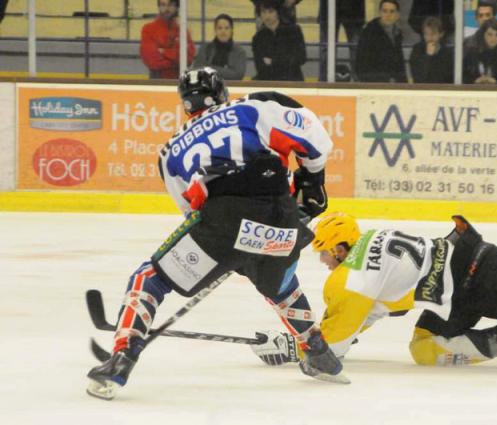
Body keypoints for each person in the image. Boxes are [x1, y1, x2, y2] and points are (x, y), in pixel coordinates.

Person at [86, 67, 347, 400]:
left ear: (185, 105)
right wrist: (312, 181)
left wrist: (231, 248)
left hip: (223, 220)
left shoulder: (169, 153)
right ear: (222, 92)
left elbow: (193, 213)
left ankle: (121, 357)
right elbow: (315, 137)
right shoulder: (253, 107)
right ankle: (321, 355)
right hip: (283, 221)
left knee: (149, 278)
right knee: (279, 285)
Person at [251, 213, 497, 369]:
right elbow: (362, 316)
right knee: (424, 350)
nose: (323, 260)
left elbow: (334, 347)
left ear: (341, 247)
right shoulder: (372, 238)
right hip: (457, 287)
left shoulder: (350, 281)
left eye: (325, 252)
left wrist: (292, 347)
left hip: (481, 273)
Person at [252, 0, 307, 81]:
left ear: (278, 12)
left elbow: (301, 58)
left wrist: (273, 62)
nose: (267, 16)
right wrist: (283, 60)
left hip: (292, 80)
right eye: (263, 12)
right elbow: (260, 67)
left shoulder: (293, 31)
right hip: (269, 81)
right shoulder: (258, 38)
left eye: (271, 12)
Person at [140, 0, 196, 79]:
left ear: (177, 7)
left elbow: (188, 59)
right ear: (159, 7)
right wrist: (176, 59)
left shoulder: (183, 31)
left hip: (180, 80)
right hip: (156, 81)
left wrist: (164, 52)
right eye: (163, 5)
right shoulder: (148, 29)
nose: (167, 8)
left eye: (170, 5)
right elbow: (151, 60)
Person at [355, 0, 407, 83]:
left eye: (392, 11)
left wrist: (403, 84)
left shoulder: (397, 33)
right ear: (379, 13)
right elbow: (361, 65)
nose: (388, 15)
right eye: (385, 11)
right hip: (374, 84)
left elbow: (399, 64)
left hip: (393, 85)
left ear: (397, 15)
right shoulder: (369, 33)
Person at [318, 0, 365, 81]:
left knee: (356, 49)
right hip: (329, 8)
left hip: (354, 8)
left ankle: (359, 81)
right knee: (327, 49)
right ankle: (324, 82)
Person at [192, 14, 246, 81]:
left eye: (226, 28)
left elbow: (237, 75)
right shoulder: (205, 49)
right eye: (220, 28)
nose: (223, 31)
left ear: (232, 30)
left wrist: (210, 68)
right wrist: (225, 71)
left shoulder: (239, 52)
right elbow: (196, 70)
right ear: (215, 30)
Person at [409, 16, 453, 84]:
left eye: (433, 34)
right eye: (426, 34)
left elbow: (447, 77)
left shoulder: (447, 53)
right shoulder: (417, 49)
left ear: (441, 34)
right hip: (422, 90)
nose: (430, 37)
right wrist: (428, 56)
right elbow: (418, 76)